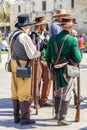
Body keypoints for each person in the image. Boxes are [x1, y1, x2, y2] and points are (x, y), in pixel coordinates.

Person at [46, 16, 82, 126]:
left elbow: (47, 56)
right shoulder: (72, 40)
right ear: (70, 27)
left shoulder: (53, 38)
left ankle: (57, 113)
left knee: (57, 92)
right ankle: (61, 118)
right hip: (67, 71)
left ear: (62, 27)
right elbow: (78, 58)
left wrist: (50, 67)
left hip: (56, 70)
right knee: (66, 93)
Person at [8, 14, 40, 125]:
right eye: (29, 26)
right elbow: (32, 54)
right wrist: (39, 52)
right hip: (22, 65)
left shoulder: (12, 34)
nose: (30, 28)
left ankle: (16, 116)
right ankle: (25, 118)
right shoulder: (24, 36)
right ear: (25, 26)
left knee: (15, 90)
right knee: (24, 91)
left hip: (13, 64)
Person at [31, 16, 52, 107]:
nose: (44, 26)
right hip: (37, 61)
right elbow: (34, 48)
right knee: (36, 81)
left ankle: (44, 100)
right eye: (42, 24)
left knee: (48, 81)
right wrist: (44, 41)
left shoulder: (47, 33)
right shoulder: (33, 35)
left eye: (44, 24)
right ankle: (36, 100)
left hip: (46, 60)